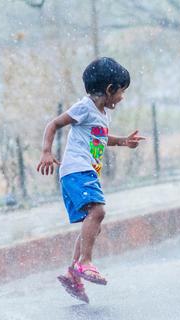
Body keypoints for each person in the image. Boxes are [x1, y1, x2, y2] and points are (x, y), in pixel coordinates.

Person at [37, 57, 145, 303]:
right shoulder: (84, 107)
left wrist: (123, 142)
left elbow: (101, 138)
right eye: (121, 92)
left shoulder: (102, 114)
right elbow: (54, 123)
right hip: (76, 170)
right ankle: (84, 262)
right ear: (109, 89)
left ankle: (74, 273)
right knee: (98, 212)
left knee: (92, 222)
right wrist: (46, 151)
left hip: (86, 172)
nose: (122, 97)